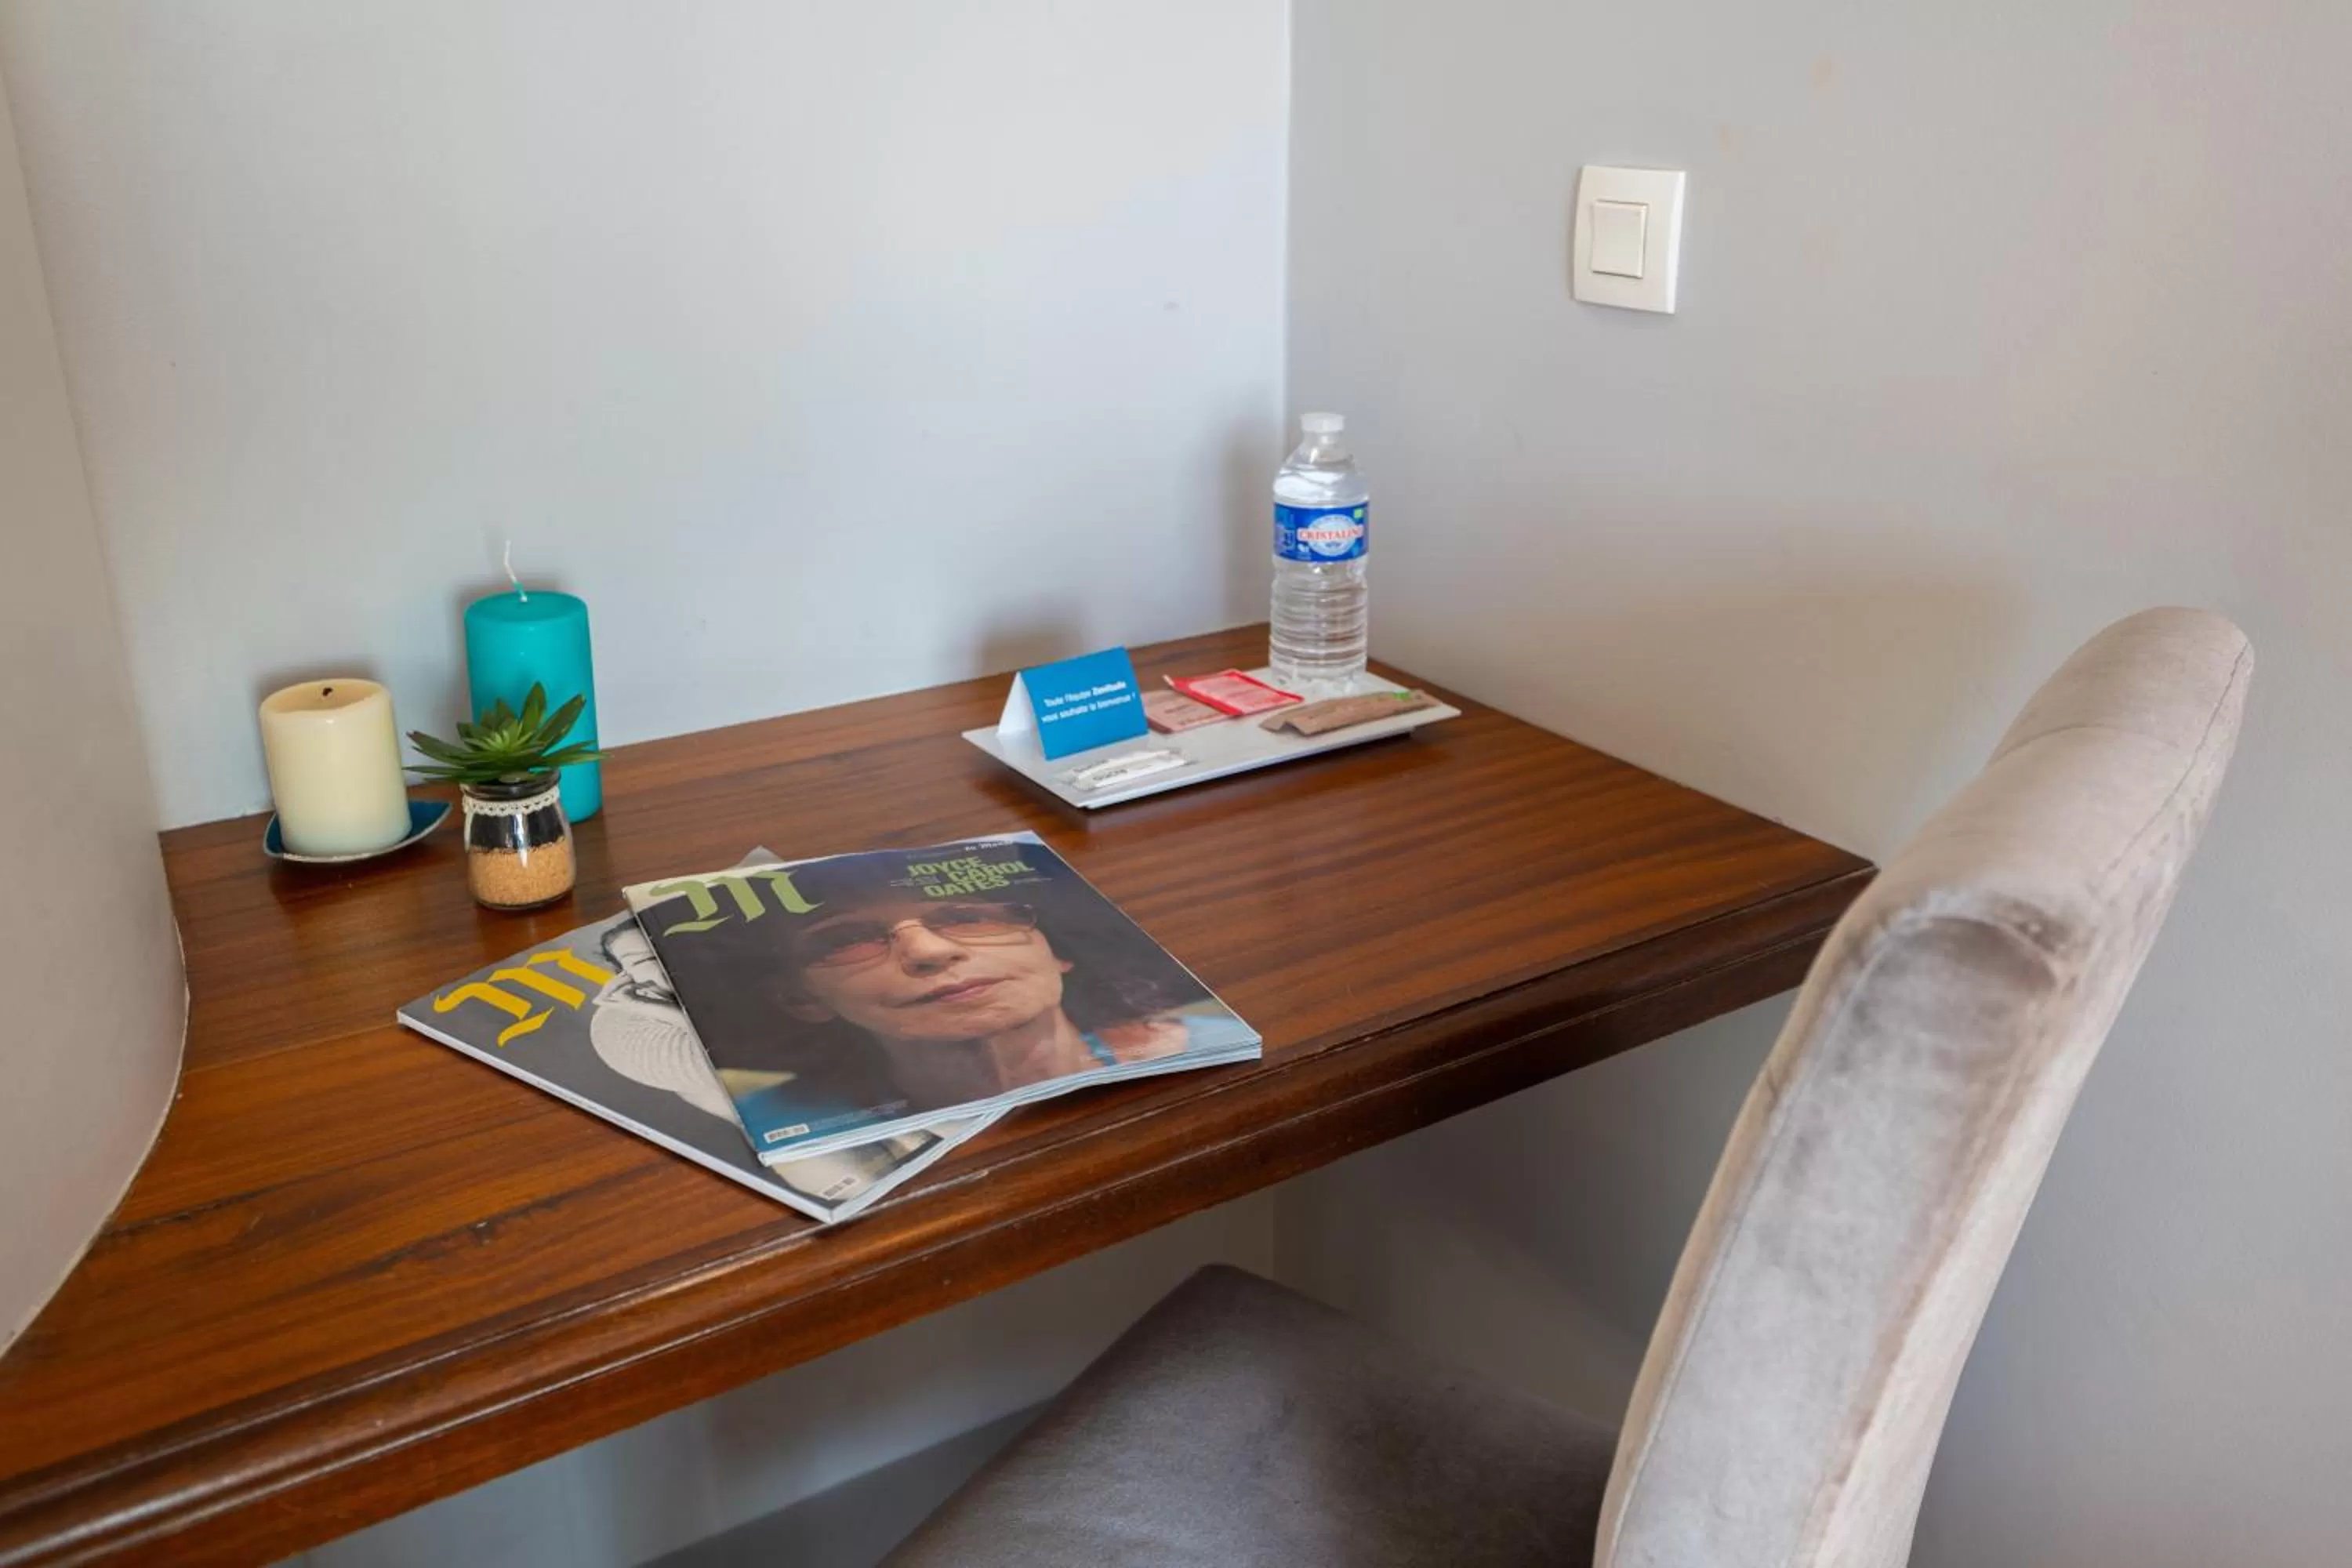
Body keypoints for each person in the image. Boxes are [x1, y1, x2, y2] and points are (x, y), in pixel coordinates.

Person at [776, 881, 1245, 1109]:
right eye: (848, 940)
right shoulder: (781, 1120)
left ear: (1058, 950)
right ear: (802, 999)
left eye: (967, 916)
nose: (929, 951)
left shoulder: (1223, 1057)